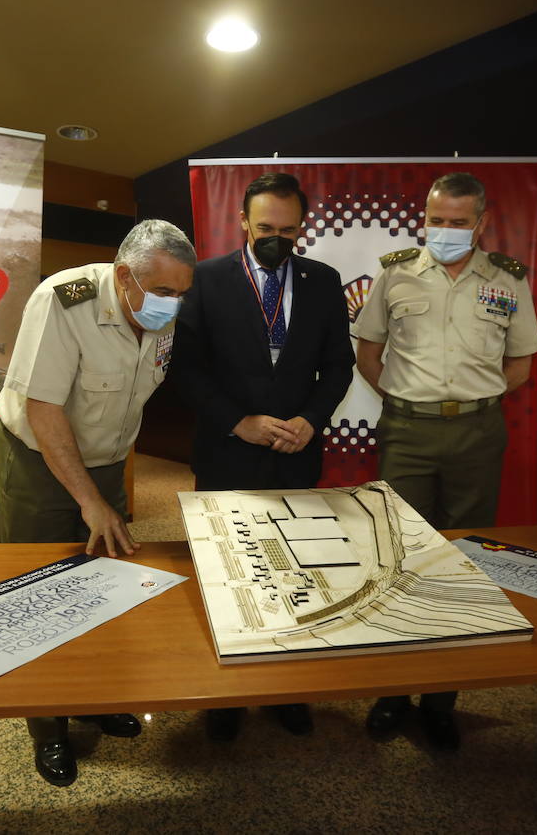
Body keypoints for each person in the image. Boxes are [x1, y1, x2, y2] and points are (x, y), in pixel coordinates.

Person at [0, 218, 196, 786]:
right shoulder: (63, 300)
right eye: (164, 292)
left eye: (181, 294)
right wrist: (88, 500)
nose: (172, 305)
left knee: (101, 588)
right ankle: (47, 724)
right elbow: (44, 410)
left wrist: (105, 494)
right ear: (125, 277)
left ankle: (95, 697)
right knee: (39, 592)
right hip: (39, 462)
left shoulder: (157, 312)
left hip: (104, 464)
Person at [353, 171, 537, 750]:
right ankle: (393, 692)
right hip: (407, 432)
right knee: (402, 557)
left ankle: (441, 700)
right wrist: (411, 404)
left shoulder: (507, 281)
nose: (446, 231)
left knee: (462, 563)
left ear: (481, 223)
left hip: (478, 434)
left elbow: (521, 364)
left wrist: (468, 402)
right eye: (437, 220)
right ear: (426, 217)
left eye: (459, 223)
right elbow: (368, 353)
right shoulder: (395, 273)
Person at [173, 172, 355, 742]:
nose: (277, 237)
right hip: (228, 450)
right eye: (266, 227)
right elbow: (185, 367)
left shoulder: (323, 280)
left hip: (296, 453)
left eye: (289, 229)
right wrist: (237, 421)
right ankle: (225, 695)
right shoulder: (203, 280)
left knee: (297, 574)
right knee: (227, 575)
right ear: (243, 223)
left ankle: (289, 690)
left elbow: (340, 367)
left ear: (303, 227)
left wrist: (312, 420)